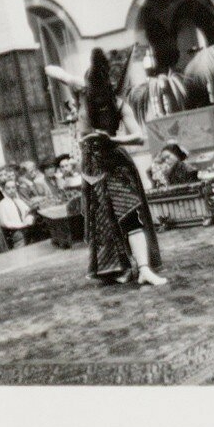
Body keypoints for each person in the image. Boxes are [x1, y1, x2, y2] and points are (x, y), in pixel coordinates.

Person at [45, 48, 166, 286]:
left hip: (116, 164)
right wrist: (76, 80)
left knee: (129, 213)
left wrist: (113, 139)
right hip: (92, 167)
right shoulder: (81, 94)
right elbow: (50, 69)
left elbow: (138, 136)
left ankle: (143, 269)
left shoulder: (119, 104)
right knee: (104, 220)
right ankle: (122, 266)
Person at [0, 179, 37, 248]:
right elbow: (4, 222)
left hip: (27, 229)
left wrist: (29, 219)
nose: (11, 190)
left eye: (13, 188)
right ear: (4, 190)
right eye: (8, 188)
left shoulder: (19, 201)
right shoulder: (2, 204)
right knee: (21, 248)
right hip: (15, 232)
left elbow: (28, 211)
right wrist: (21, 225)